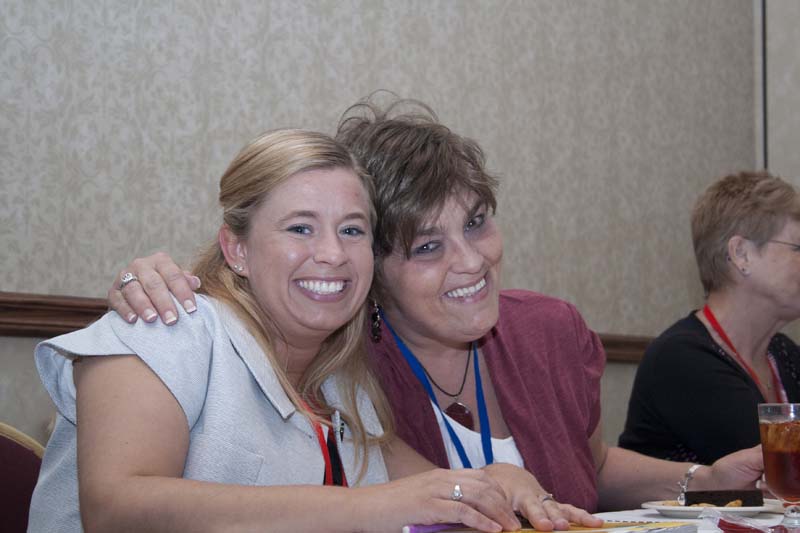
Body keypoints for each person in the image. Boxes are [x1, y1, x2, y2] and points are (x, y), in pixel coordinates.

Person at [107, 96, 764, 516]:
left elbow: (551, 471)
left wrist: (702, 479)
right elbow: (114, 503)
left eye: (476, 222)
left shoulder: (348, 383)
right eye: (427, 246)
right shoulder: (323, 358)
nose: (471, 262)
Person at [28, 129, 527, 533]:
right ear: (237, 249)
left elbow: (432, 494)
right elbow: (116, 511)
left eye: (352, 230)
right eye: (300, 228)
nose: (332, 253)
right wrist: (368, 508)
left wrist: (497, 482)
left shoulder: (342, 386)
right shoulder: (168, 324)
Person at [619, 171, 800, 464]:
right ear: (741, 254)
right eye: (798, 248)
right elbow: (777, 464)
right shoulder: (681, 358)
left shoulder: (784, 354)